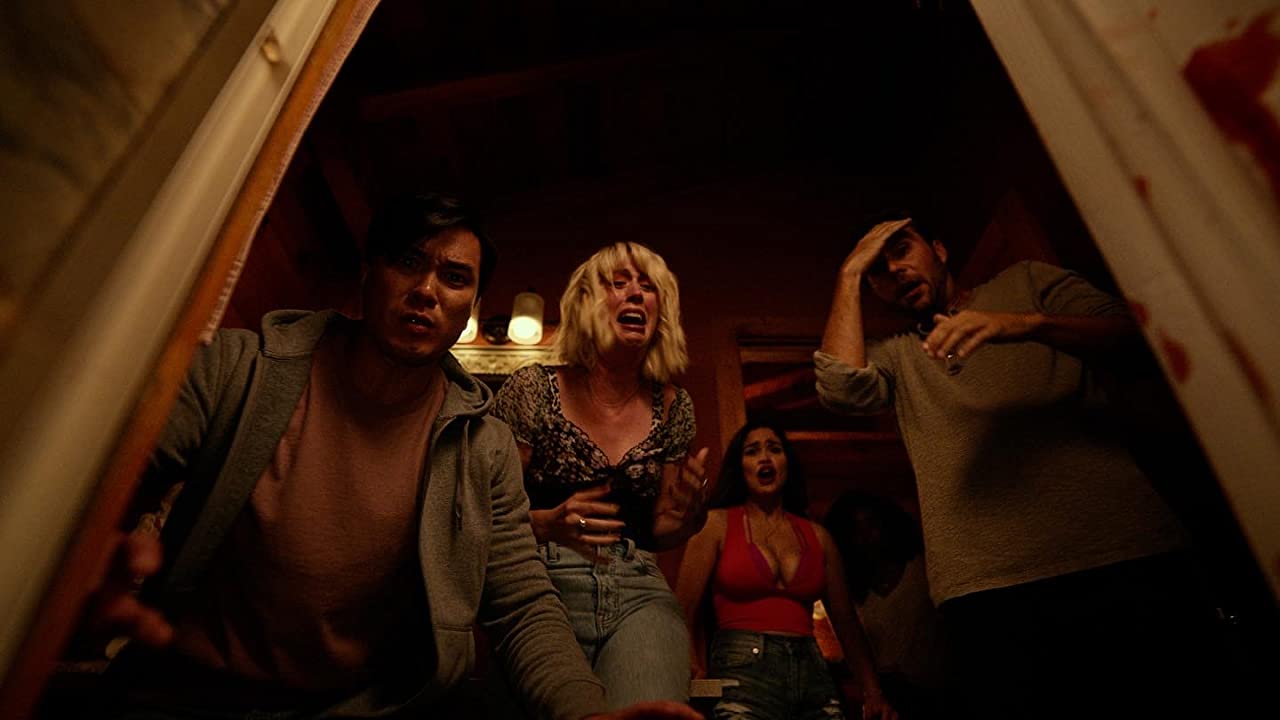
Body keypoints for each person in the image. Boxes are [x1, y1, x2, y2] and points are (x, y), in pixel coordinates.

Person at [83, 193, 700, 720]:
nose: (426, 290)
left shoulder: (478, 443)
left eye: (454, 278)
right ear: (368, 272)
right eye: (408, 263)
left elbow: (519, 600)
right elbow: (111, 473)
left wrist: (584, 713)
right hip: (181, 695)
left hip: (358, 708)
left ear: (469, 304)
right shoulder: (240, 369)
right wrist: (77, 551)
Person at [814, 209, 1228, 718]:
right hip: (985, 588)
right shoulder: (896, 356)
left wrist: (1026, 324)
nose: (894, 270)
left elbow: (1139, 340)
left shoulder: (1027, 282)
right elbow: (839, 389)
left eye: (901, 250)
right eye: (877, 269)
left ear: (939, 249)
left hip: (1122, 552)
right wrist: (849, 274)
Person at [491, 241, 708, 710]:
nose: (636, 294)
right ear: (586, 303)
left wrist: (689, 518)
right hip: (541, 583)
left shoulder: (675, 405)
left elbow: (660, 530)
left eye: (648, 286)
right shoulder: (533, 388)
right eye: (618, 283)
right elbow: (484, 515)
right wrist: (545, 524)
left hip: (639, 589)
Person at [673, 419, 896, 720]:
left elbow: (846, 623)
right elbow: (683, 607)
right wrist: (690, 664)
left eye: (774, 449)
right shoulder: (716, 525)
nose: (764, 457)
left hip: (812, 670)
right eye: (752, 451)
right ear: (740, 467)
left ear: (787, 462)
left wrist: (873, 692)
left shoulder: (818, 536)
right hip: (743, 670)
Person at [823, 492, 948, 720]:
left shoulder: (922, 571)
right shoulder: (849, 593)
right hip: (885, 697)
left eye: (872, 524)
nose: (866, 536)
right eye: (856, 530)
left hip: (937, 691)